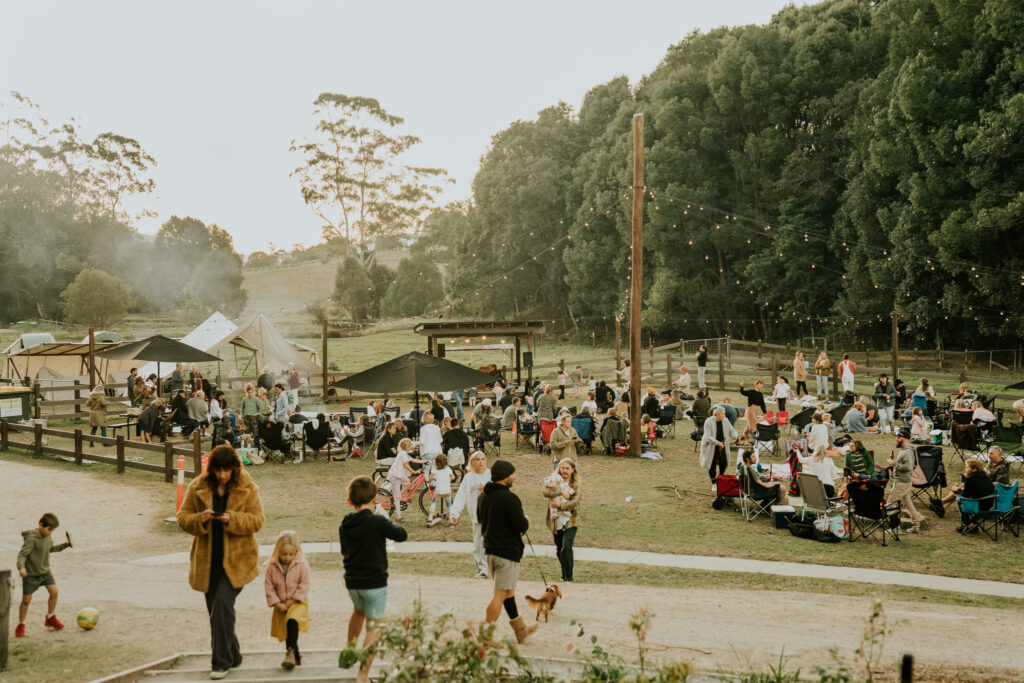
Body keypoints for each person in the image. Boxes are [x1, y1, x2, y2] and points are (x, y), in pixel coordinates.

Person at [177, 445, 265, 679]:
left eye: (227, 470)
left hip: (238, 561)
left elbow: (258, 520)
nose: (223, 475)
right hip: (208, 562)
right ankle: (234, 654)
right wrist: (200, 519)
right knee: (216, 613)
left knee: (223, 605)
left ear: (234, 468)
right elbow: (182, 518)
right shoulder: (198, 486)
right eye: (218, 470)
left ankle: (220, 663)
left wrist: (232, 519)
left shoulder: (248, 488)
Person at [341, 475, 408, 683]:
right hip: (375, 583)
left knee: (358, 613)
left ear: (350, 500)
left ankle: (349, 652)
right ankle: (363, 675)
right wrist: (383, 516)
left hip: (353, 581)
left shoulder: (345, 523)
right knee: (373, 627)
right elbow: (401, 534)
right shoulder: (377, 521)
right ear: (375, 497)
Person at [478, 459, 537, 643]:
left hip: (490, 550)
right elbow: (520, 527)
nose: (514, 476)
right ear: (505, 477)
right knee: (499, 595)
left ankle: (521, 630)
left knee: (508, 592)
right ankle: (485, 636)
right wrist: (526, 520)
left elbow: (480, 519)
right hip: (506, 552)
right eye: (512, 473)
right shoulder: (510, 498)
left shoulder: (483, 496)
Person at [15, 512, 72, 638]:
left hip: (45, 572)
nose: (50, 532)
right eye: (49, 529)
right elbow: (22, 555)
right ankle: (20, 625)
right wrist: (22, 568)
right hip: (31, 575)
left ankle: (50, 618)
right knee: (26, 601)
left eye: (52, 530)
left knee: (54, 593)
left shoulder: (48, 537)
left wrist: (65, 545)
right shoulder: (31, 539)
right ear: (40, 525)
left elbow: (51, 549)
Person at [264, 530, 311, 671]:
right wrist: (277, 603)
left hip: (298, 602)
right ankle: (294, 654)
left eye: (291, 554)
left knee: (292, 620)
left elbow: (305, 584)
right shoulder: (271, 566)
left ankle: (290, 653)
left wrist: (292, 601)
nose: (287, 557)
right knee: (286, 630)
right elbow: (268, 586)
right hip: (280, 604)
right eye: (284, 554)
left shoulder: (301, 563)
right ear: (278, 550)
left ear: (296, 551)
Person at [450, 451, 491, 577]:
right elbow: (461, 496)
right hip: (476, 516)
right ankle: (480, 568)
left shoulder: (491, 475)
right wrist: (455, 514)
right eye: (477, 459)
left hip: (490, 515)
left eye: (483, 459)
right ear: (472, 462)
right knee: (477, 544)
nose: (480, 462)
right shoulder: (469, 478)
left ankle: (485, 568)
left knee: (487, 543)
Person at [542, 458, 581, 583]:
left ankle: (569, 577)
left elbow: (576, 503)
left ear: (573, 470)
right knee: (559, 549)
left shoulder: (575, 485)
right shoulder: (554, 481)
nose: (564, 471)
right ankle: (564, 574)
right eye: (562, 468)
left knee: (566, 547)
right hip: (555, 519)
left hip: (570, 519)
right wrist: (561, 490)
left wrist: (560, 506)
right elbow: (544, 491)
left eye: (567, 468)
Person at [929, 458, 995, 530]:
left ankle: (968, 525)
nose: (965, 469)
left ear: (974, 469)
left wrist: (956, 489)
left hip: (978, 507)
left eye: (967, 467)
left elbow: (966, 496)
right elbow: (974, 491)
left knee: (959, 498)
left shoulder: (972, 478)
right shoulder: (985, 477)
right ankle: (941, 505)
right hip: (990, 506)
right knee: (959, 492)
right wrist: (961, 488)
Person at [886, 428, 927, 533]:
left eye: (898, 437)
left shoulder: (908, 451)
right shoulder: (905, 450)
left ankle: (895, 528)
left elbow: (909, 467)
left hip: (902, 482)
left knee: (891, 502)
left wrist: (893, 463)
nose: (896, 439)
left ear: (904, 438)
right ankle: (916, 525)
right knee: (908, 503)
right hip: (905, 481)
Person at [387, 438, 426, 524]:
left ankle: (404, 498)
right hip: (395, 476)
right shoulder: (403, 453)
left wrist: (424, 461)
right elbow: (406, 464)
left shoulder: (403, 453)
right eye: (410, 446)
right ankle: (398, 517)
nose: (411, 448)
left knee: (407, 481)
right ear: (407, 446)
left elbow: (412, 460)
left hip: (399, 475)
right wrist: (414, 471)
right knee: (397, 498)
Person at [701, 407, 737, 489]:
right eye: (723, 414)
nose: (724, 415)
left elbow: (732, 431)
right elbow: (708, 436)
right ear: (717, 414)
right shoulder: (708, 421)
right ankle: (714, 483)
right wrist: (717, 443)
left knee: (724, 463)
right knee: (712, 464)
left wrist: (737, 437)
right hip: (711, 445)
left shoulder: (725, 420)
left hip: (723, 445)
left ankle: (720, 479)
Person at [427, 454, 454, 526]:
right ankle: (451, 522)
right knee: (449, 505)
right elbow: (453, 477)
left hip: (438, 490)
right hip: (447, 490)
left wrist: (436, 478)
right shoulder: (448, 469)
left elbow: (430, 478)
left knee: (433, 503)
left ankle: (430, 519)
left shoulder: (434, 469)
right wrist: (446, 479)